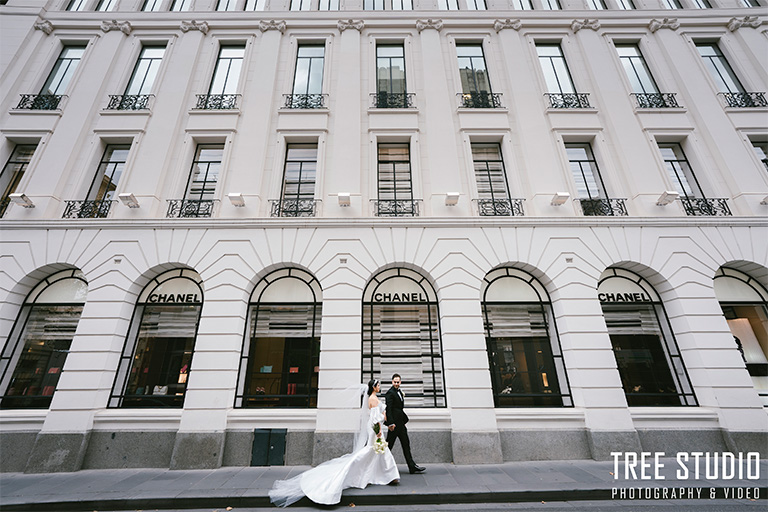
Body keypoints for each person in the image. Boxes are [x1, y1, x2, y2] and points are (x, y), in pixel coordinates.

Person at [269, 379, 400, 507]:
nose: (379, 387)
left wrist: (383, 417)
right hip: (374, 428)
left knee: (378, 451)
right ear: (373, 387)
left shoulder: (374, 398)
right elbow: (375, 418)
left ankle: (386, 475)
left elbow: (378, 416)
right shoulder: (372, 399)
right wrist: (379, 427)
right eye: (377, 385)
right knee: (373, 450)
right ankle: (381, 474)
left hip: (375, 427)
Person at [384, 374, 425, 474]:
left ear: (400, 382)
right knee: (388, 446)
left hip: (401, 424)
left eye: (398, 382)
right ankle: (379, 465)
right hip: (394, 425)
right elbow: (388, 409)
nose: (396, 383)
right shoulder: (390, 393)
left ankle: (412, 466)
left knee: (406, 444)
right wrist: (390, 423)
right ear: (392, 382)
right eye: (395, 382)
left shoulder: (399, 392)